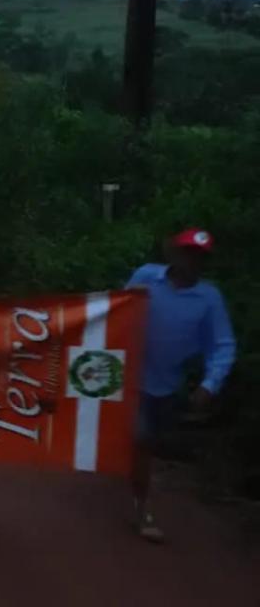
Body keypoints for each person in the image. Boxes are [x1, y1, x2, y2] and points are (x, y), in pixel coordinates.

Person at [125, 229, 236, 543]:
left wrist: (209, 384)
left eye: (200, 256)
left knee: (148, 444)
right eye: (188, 253)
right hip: (130, 376)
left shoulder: (209, 298)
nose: (193, 261)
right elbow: (119, 309)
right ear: (174, 253)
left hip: (166, 384)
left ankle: (134, 479)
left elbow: (223, 344)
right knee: (142, 438)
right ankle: (142, 509)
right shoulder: (146, 276)